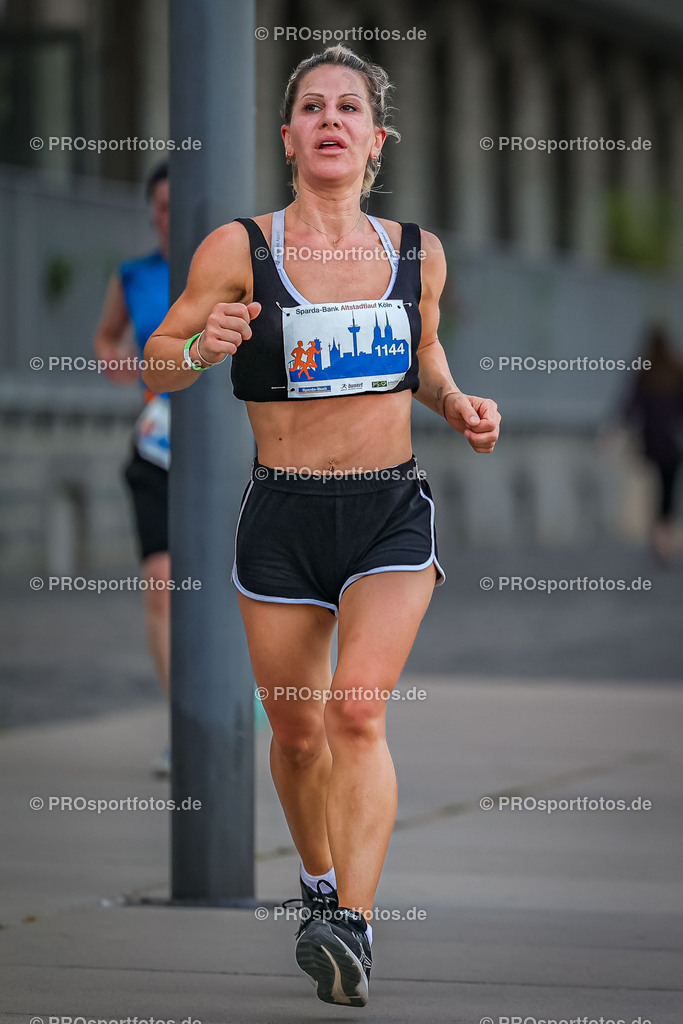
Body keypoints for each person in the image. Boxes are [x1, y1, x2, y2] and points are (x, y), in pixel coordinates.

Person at [142, 45, 500, 1008]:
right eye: (312, 106)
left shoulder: (415, 252)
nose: (331, 119)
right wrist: (198, 346)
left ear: (375, 140)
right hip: (283, 515)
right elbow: (158, 358)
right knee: (297, 735)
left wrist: (457, 402)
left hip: (388, 511)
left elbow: (423, 357)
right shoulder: (237, 248)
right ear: (290, 135)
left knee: (355, 713)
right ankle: (315, 884)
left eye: (350, 107)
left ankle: (351, 921)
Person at [93, 162, 172, 776]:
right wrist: (126, 372)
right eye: (160, 206)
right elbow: (107, 337)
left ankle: (242, 690)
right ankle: (185, 724)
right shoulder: (135, 275)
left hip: (230, 455)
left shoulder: (228, 268)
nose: (168, 217)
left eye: (179, 205)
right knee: (163, 588)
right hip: (158, 447)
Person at [625, 325, 683, 564]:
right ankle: (665, 541)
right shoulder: (676, 370)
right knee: (669, 491)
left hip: (652, 442)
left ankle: (658, 539)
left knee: (657, 489)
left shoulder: (644, 373)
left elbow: (630, 406)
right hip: (673, 442)